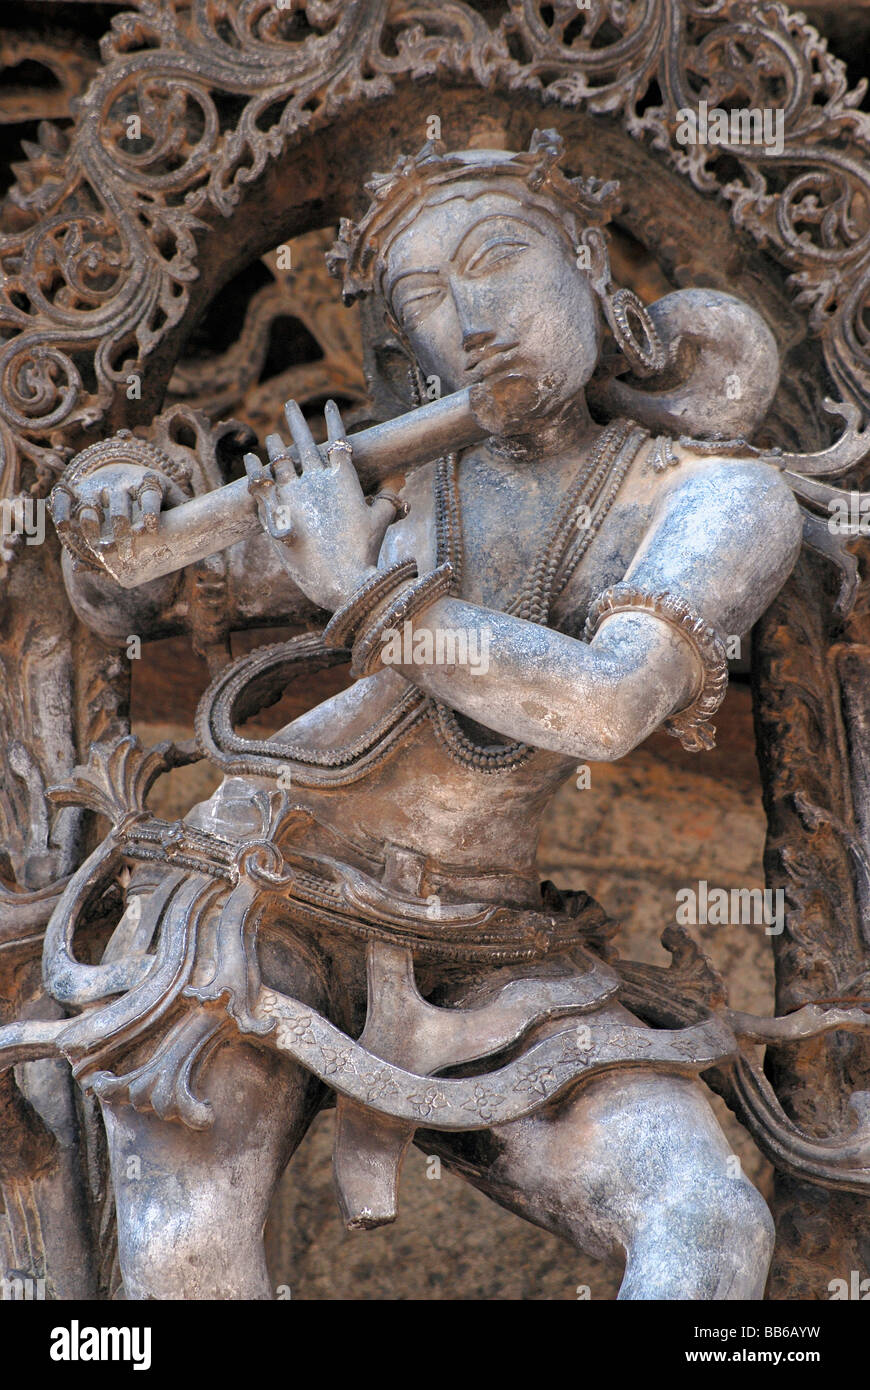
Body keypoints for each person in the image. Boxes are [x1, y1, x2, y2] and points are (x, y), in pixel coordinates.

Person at [48, 132, 801, 1299]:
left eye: (500, 259)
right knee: (188, 1260)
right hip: (261, 890)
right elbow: (126, 595)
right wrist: (113, 491)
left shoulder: (716, 497)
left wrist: (371, 595)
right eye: (425, 299)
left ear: (594, 274)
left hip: (491, 948)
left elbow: (607, 706)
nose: (473, 316)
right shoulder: (396, 490)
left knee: (708, 1225)